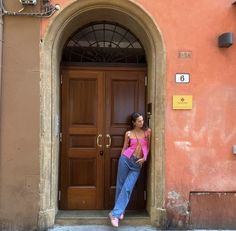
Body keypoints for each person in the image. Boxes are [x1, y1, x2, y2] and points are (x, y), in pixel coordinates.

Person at [109, 112, 151, 227]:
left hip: (137, 164)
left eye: (142, 120)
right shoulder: (128, 133)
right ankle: (119, 212)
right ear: (134, 122)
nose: (141, 122)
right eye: (139, 121)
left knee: (127, 188)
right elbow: (124, 148)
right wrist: (121, 159)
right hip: (125, 160)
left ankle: (115, 213)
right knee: (121, 185)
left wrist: (144, 158)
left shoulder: (147, 132)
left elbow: (148, 147)